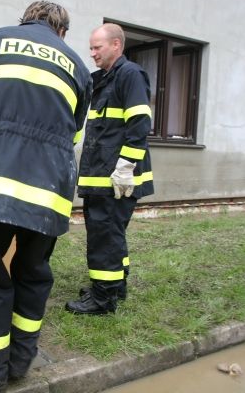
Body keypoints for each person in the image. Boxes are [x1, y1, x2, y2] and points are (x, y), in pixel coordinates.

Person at [0, 1, 92, 392]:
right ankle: (19, 363)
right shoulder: (78, 66)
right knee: (33, 274)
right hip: (49, 195)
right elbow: (73, 136)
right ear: (62, 33)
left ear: (24, 21)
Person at [65, 23, 154, 316]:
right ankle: (116, 286)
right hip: (102, 175)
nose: (92, 53)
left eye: (97, 47)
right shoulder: (105, 80)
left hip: (114, 177)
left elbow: (139, 122)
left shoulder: (129, 75)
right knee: (112, 234)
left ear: (116, 45)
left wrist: (126, 166)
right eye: (90, 47)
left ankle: (102, 300)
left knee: (104, 237)